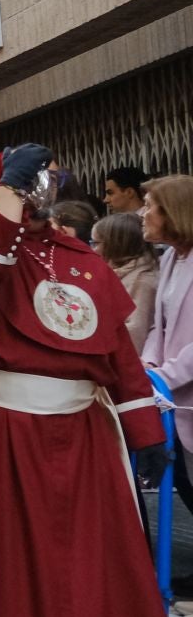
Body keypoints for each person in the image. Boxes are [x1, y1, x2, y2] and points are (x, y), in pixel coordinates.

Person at [0, 145, 192, 617]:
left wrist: (144, 429)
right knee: (4, 564)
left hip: (83, 431)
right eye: (21, 189)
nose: (33, 199)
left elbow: (118, 356)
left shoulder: (81, 257)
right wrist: (8, 192)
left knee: (110, 566)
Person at [142, 175, 193, 529]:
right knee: (186, 485)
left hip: (181, 389)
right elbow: (157, 326)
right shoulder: (170, 259)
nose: (142, 214)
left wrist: (164, 376)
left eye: (150, 206)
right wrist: (147, 365)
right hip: (172, 398)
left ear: (172, 212)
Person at [93, 212, 157, 355]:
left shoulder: (142, 281)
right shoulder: (115, 274)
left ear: (116, 244)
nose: (94, 249)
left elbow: (135, 333)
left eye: (96, 243)